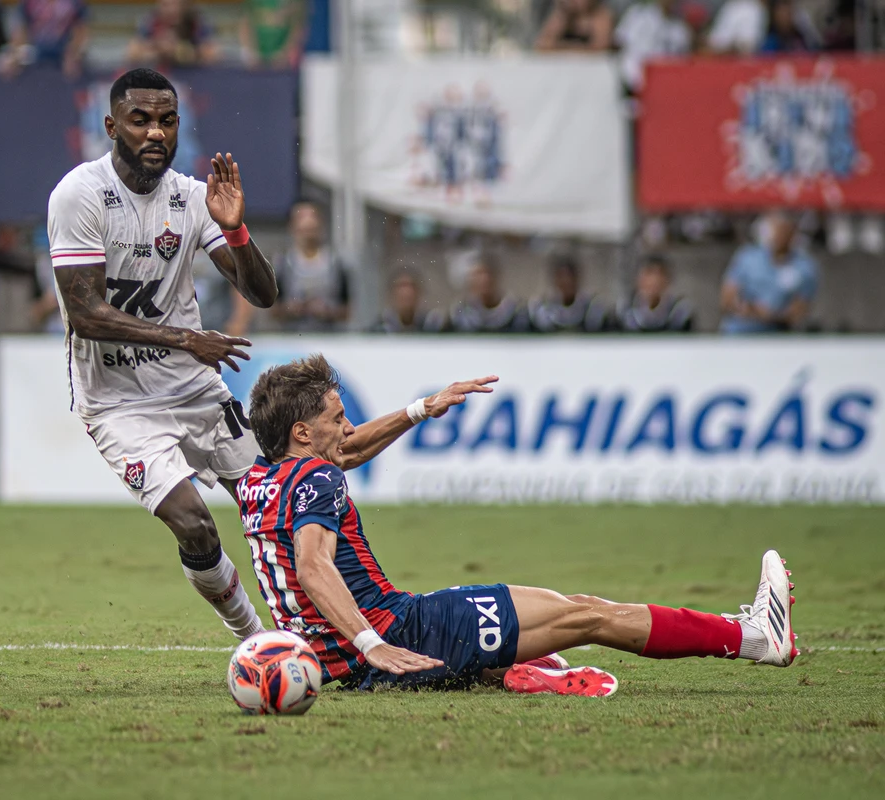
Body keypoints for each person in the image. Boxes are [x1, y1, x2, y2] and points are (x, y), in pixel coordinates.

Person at [238, 354, 798, 693]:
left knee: (528, 631)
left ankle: (513, 669)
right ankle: (754, 638)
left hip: (334, 663)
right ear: (303, 434)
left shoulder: (258, 481)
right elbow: (313, 566)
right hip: (403, 633)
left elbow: (351, 450)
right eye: (339, 418)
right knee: (587, 614)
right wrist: (372, 644)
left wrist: (422, 408)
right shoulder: (320, 477)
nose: (349, 427)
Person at [46, 69, 278, 640]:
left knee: (276, 507)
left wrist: (237, 231)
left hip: (194, 390)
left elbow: (264, 295)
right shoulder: (80, 194)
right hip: (118, 404)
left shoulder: (193, 198)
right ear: (111, 126)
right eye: (141, 120)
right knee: (194, 524)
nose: (156, 132)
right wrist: (186, 339)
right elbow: (86, 314)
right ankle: (256, 640)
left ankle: (321, 630)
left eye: (167, 121)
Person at [720, 212, 818, 334]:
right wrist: (750, 309)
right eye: (776, 230)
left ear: (793, 233)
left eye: (785, 230)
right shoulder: (747, 257)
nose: (779, 236)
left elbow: (799, 311)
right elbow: (727, 299)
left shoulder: (804, 267)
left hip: (778, 334)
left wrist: (770, 314)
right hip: (740, 331)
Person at [273, 202, 350, 332]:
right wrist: (292, 309)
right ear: (292, 226)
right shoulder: (283, 264)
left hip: (330, 335)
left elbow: (347, 310)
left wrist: (327, 311)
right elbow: (273, 309)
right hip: (293, 335)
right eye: (302, 218)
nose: (308, 223)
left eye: (312, 218)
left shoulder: (335, 263)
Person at [614, 0, 692, 93]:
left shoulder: (681, 29)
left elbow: (683, 63)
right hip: (630, 84)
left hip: (663, 88)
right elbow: (618, 43)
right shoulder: (638, 13)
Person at [440, 256, 529, 333]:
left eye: (487, 274)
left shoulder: (517, 313)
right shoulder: (459, 315)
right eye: (478, 274)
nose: (484, 280)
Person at [7, 0, 90, 78]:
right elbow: (20, 29)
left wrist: (73, 54)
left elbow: (81, 29)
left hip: (64, 51)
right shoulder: (28, 2)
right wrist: (16, 55)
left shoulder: (75, 3)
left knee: (77, 67)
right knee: (9, 65)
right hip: (34, 52)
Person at [127, 0, 219, 69]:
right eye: (166, 5)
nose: (172, 10)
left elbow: (213, 54)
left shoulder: (196, 21)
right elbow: (132, 53)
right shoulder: (151, 21)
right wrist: (158, 50)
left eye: (176, 4)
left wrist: (182, 52)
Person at [528, 255, 610, 333]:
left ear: (576, 279)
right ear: (555, 280)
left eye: (569, 277)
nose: (566, 281)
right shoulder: (542, 306)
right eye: (561, 277)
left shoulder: (592, 306)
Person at [615, 255, 694, 333]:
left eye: (660, 274)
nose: (654, 280)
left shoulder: (679, 313)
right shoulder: (625, 311)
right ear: (638, 279)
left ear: (667, 280)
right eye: (649, 273)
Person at [240, 0, 306, 68]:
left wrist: (284, 53)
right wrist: (251, 52)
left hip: (283, 62)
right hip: (256, 59)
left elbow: (297, 25)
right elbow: (245, 22)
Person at [371, 273, 443, 333]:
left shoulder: (431, 327)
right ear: (392, 296)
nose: (406, 293)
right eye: (402, 298)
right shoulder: (380, 330)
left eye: (409, 298)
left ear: (418, 296)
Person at [535, 0, 614, 52]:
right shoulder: (562, 16)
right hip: (563, 66)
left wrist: (561, 47)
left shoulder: (601, 16)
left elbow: (601, 48)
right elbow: (542, 45)